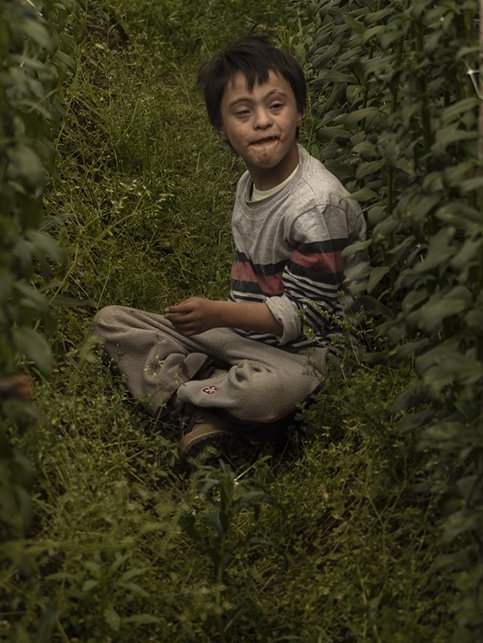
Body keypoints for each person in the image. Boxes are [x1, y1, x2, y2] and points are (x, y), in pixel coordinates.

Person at [95, 36, 366, 458]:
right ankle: (212, 390)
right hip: (248, 338)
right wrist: (218, 324)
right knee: (111, 321)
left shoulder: (316, 204)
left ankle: (195, 400)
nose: (262, 121)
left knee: (262, 392)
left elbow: (306, 317)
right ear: (221, 129)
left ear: (300, 112)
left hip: (307, 356)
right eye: (244, 112)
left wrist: (216, 313)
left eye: (276, 106)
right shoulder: (249, 183)